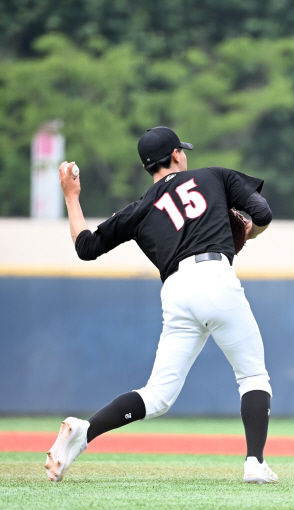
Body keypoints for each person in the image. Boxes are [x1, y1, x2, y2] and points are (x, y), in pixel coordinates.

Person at [45, 126, 278, 485]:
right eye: (181, 151)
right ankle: (254, 462)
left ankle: (85, 430)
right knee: (252, 375)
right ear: (176, 156)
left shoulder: (139, 209)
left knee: (157, 395)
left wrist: (72, 195)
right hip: (215, 276)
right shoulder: (213, 176)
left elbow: (85, 247)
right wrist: (248, 230)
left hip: (176, 291)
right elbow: (262, 213)